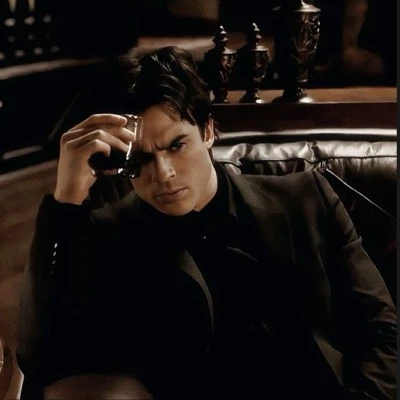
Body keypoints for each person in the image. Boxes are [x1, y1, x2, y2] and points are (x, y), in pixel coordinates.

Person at [17, 46, 396, 400]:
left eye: (176, 146)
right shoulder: (110, 236)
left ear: (209, 131)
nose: (163, 174)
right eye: (142, 159)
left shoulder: (306, 199)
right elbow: (40, 361)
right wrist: (65, 202)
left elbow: (383, 331)